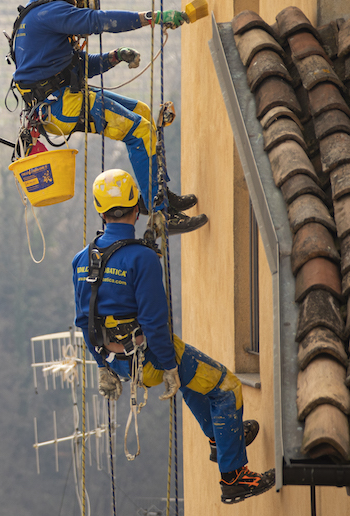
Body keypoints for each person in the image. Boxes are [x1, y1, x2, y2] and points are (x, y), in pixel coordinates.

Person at [73, 169, 273, 504]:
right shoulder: (142, 259)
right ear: (137, 205)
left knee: (195, 380)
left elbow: (83, 320)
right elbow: (155, 321)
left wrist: (103, 367)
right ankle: (235, 477)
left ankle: (219, 438)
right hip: (151, 357)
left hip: (119, 364)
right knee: (227, 388)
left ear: (99, 210)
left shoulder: (83, 260)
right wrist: (168, 367)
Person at [10, 0, 206, 235]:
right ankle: (161, 213)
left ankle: (159, 192)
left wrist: (114, 57)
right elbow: (98, 21)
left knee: (142, 113)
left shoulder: (36, 16)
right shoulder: (49, 12)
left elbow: (77, 67)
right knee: (138, 130)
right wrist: (153, 17)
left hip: (58, 102)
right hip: (64, 104)